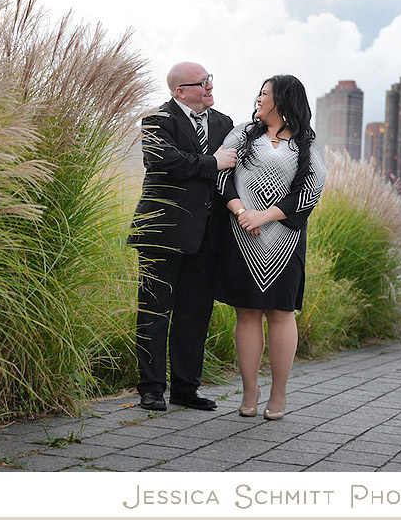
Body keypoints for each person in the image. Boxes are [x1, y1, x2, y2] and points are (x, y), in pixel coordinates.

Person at [215, 74, 325, 421]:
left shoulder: (307, 143)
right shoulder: (241, 135)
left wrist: (265, 215)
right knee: (246, 312)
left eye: (265, 93)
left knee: (281, 313)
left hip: (286, 239)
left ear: (283, 99)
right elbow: (221, 176)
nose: (259, 98)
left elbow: (312, 190)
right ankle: (250, 390)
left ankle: (279, 394)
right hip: (242, 234)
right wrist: (243, 212)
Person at [128, 62, 237, 411]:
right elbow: (164, 160)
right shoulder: (157, 119)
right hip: (162, 230)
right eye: (202, 82)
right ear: (180, 92)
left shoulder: (224, 123)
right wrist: (212, 163)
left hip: (207, 235)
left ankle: (186, 389)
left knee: (195, 314)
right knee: (153, 312)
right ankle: (151, 388)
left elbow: (233, 169)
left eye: (210, 79)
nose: (209, 86)